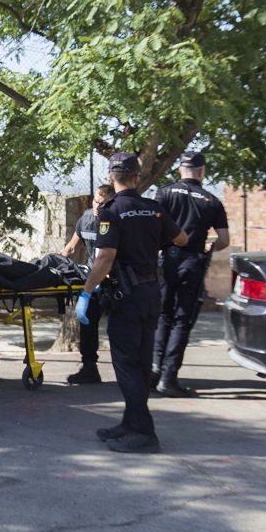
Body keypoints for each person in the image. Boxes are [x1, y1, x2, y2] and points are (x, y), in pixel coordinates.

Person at [75, 152, 187, 453]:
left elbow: (105, 258)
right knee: (139, 362)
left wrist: (86, 293)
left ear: (112, 177)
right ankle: (129, 422)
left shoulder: (111, 211)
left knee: (126, 365)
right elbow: (182, 239)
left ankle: (144, 431)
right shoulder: (154, 209)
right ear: (137, 177)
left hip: (127, 297)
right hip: (152, 292)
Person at [151, 151, 229, 398]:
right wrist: (209, 250)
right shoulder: (212, 200)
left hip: (167, 260)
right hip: (192, 261)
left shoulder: (164, 193)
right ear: (202, 172)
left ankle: (153, 368)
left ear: (179, 170)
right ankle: (169, 377)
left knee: (163, 315)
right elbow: (225, 239)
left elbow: (154, 228)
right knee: (182, 320)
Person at [60, 183, 114, 384]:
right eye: (96, 201)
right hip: (93, 280)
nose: (99, 206)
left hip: (115, 282)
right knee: (88, 325)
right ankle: (89, 367)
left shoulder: (116, 219)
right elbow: (72, 248)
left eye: (103, 203)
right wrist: (58, 262)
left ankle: (134, 370)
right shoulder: (86, 219)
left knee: (119, 328)